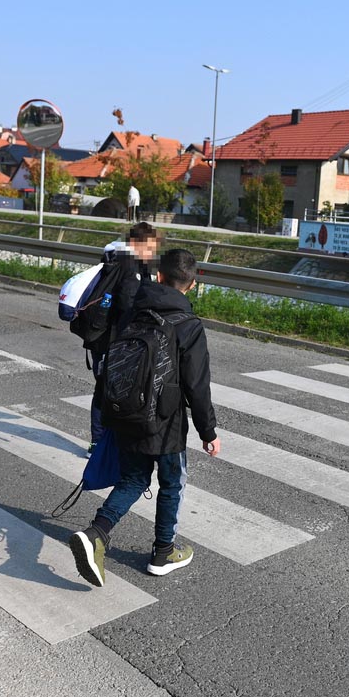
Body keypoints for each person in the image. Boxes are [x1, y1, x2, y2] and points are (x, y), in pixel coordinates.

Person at [69, 249, 220, 585]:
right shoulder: (188, 325)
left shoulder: (133, 311)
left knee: (134, 480)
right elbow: (197, 385)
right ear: (192, 285)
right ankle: (164, 551)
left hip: (125, 413)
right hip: (165, 423)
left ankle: (97, 533)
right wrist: (207, 431)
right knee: (171, 483)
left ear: (159, 276)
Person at [87, 222, 164, 452]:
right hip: (114, 338)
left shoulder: (116, 258)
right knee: (107, 389)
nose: (153, 253)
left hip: (106, 336)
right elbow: (128, 304)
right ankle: (100, 442)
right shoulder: (128, 264)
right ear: (137, 243)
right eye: (150, 247)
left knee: (106, 387)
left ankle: (101, 440)